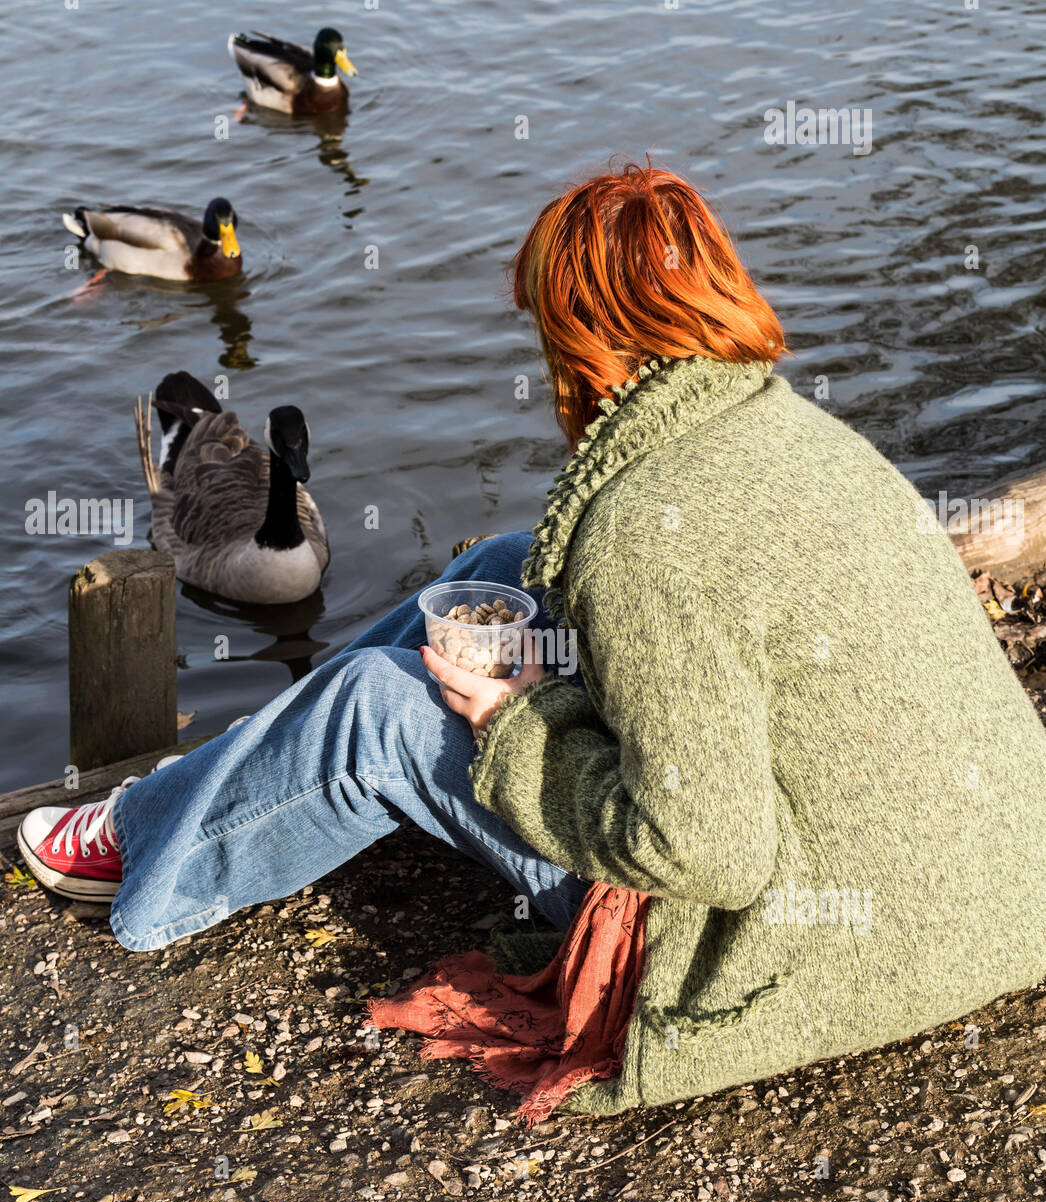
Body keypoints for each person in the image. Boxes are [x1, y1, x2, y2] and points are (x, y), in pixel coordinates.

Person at [19, 163, 1046, 1114]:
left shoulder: (644, 530)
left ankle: (148, 858)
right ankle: (201, 785)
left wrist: (519, 727)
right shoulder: (805, 436)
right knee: (508, 566)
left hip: (792, 951)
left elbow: (707, 852)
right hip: (992, 887)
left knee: (378, 709)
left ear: (585, 336)